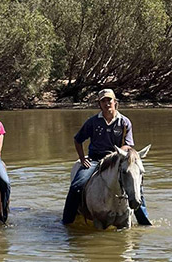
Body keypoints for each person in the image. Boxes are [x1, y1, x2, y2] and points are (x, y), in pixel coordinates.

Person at [62, 88, 152, 225]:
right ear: (99, 104)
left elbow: (128, 145)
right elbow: (78, 139)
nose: (106, 103)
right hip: (95, 159)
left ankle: (144, 221)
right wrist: (82, 159)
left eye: (109, 100)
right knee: (76, 186)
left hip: (117, 159)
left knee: (136, 188)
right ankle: (67, 221)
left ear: (115, 102)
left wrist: (118, 155)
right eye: (103, 101)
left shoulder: (124, 122)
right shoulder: (92, 122)